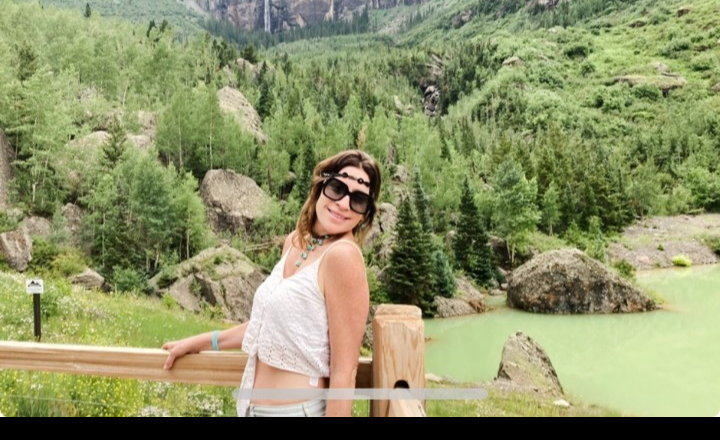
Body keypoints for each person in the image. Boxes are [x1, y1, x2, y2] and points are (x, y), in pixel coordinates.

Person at [163, 150, 381, 417]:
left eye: (358, 200)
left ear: (365, 214)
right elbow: (266, 326)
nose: (344, 204)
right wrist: (199, 342)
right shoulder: (295, 242)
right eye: (337, 188)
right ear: (321, 185)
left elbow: (344, 373)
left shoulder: (343, 257)